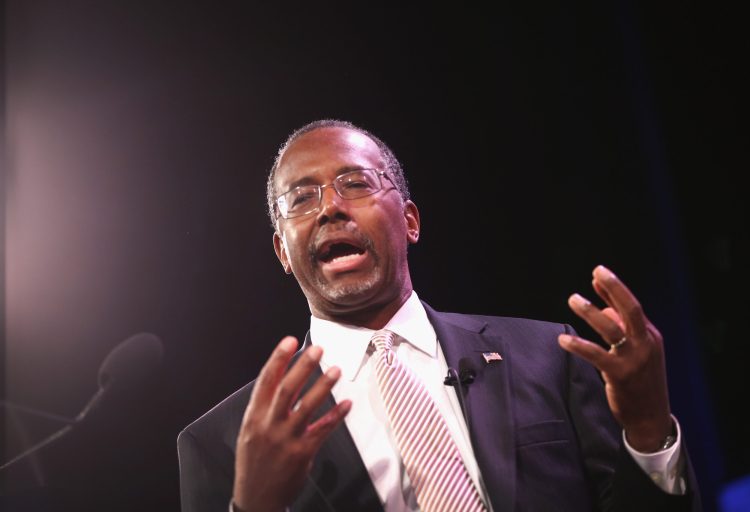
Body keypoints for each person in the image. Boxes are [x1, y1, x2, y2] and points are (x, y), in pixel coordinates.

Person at [177, 119, 701, 512]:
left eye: (355, 184)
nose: (330, 208)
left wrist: (649, 429)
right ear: (283, 253)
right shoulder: (226, 441)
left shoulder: (547, 357)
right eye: (301, 198)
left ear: (410, 221)